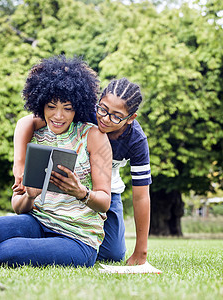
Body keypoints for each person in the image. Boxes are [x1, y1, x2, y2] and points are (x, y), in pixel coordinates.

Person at [0, 56, 112, 268]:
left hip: (77, 238)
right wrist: (29, 195)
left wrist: (81, 192)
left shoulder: (93, 136)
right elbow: (18, 207)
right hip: (38, 222)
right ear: (41, 104)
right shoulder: (36, 135)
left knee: (5, 254)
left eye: (68, 108)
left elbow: (105, 202)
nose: (59, 116)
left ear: (78, 107)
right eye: (51, 106)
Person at [13, 78, 152, 265]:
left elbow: (141, 197)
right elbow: (25, 123)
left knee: (112, 254)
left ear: (130, 118)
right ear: (98, 101)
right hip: (74, 183)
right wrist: (19, 165)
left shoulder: (136, 141)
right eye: (103, 109)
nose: (104, 118)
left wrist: (140, 252)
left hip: (107, 190)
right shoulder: (84, 113)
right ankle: (50, 240)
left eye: (116, 116)